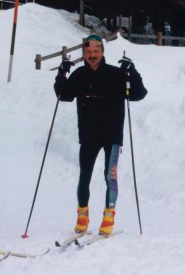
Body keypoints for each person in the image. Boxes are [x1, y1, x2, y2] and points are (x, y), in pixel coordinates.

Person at [54, 34, 147, 235]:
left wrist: (132, 72)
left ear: (102, 52)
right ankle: (82, 215)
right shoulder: (79, 75)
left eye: (96, 51)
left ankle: (108, 216)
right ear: (84, 54)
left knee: (110, 177)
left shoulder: (116, 74)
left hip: (112, 136)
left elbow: (139, 94)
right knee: (84, 176)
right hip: (88, 136)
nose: (92, 55)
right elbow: (63, 95)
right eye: (89, 52)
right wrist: (62, 74)